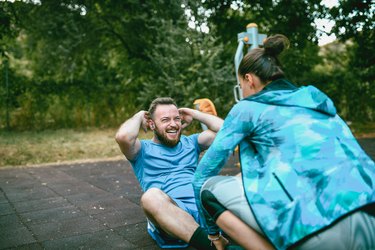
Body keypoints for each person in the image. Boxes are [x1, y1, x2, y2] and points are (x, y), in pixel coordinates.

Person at [193, 34, 375, 250]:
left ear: (249, 79)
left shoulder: (246, 108)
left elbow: (202, 175)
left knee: (207, 188)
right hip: (370, 211)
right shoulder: (315, 100)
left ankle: (217, 244)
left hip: (316, 233)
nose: (242, 90)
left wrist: (210, 232)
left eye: (241, 84)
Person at [115, 97, 228, 249]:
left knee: (235, 181)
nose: (173, 124)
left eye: (177, 119)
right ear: (152, 124)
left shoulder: (192, 142)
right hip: (172, 216)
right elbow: (123, 137)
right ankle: (210, 246)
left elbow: (226, 131)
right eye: (165, 120)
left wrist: (194, 114)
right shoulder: (141, 150)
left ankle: (214, 237)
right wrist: (139, 115)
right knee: (150, 197)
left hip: (205, 209)